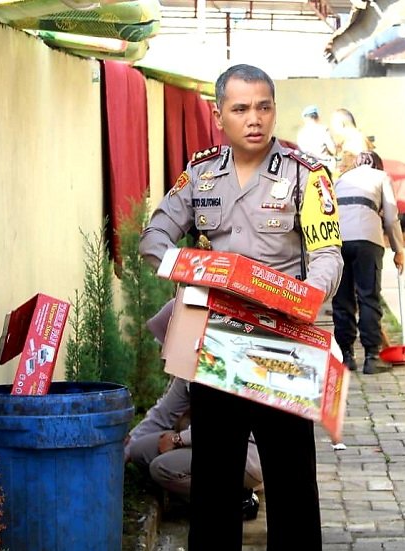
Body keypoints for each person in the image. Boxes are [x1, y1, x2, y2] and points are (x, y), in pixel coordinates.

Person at [139, 64, 343, 550]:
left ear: (274, 111)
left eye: (264, 107)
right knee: (215, 480)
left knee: (292, 480)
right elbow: (154, 236)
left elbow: (327, 254)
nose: (254, 119)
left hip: (282, 344)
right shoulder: (201, 174)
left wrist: (306, 297)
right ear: (219, 116)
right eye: (241, 109)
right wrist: (192, 270)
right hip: (217, 343)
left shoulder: (305, 175)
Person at [124, 377, 264, 520]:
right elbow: (163, 414)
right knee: (139, 451)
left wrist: (178, 439)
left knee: (162, 468)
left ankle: (242, 499)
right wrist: (125, 449)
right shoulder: (187, 370)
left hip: (247, 451)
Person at [332, 150, 405, 374]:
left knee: (342, 299)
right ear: (378, 165)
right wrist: (398, 250)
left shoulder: (341, 179)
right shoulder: (381, 177)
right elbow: (391, 218)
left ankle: (346, 356)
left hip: (338, 241)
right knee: (368, 297)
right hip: (368, 240)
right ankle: (372, 357)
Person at [329, 108, 374, 177]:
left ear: (341, 124)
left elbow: (361, 168)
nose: (332, 129)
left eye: (333, 125)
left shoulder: (356, 140)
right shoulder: (349, 139)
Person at [296, 104, 336, 172]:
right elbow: (333, 150)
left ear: (305, 119)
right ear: (317, 116)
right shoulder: (323, 129)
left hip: (308, 167)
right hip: (325, 166)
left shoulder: (300, 134)